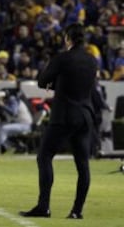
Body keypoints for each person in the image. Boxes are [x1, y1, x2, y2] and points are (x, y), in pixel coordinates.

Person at [19, 23, 97, 219]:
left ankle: (43, 206)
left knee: (44, 156)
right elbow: (82, 85)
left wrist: (56, 84)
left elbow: (42, 81)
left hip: (64, 115)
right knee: (83, 165)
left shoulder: (62, 58)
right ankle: (77, 211)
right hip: (85, 115)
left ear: (67, 38)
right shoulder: (91, 60)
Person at [0, 90, 33, 155]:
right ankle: (10, 146)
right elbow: (5, 117)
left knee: (4, 129)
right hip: (18, 124)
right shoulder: (8, 101)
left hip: (25, 125)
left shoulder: (13, 100)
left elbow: (13, 112)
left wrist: (2, 105)